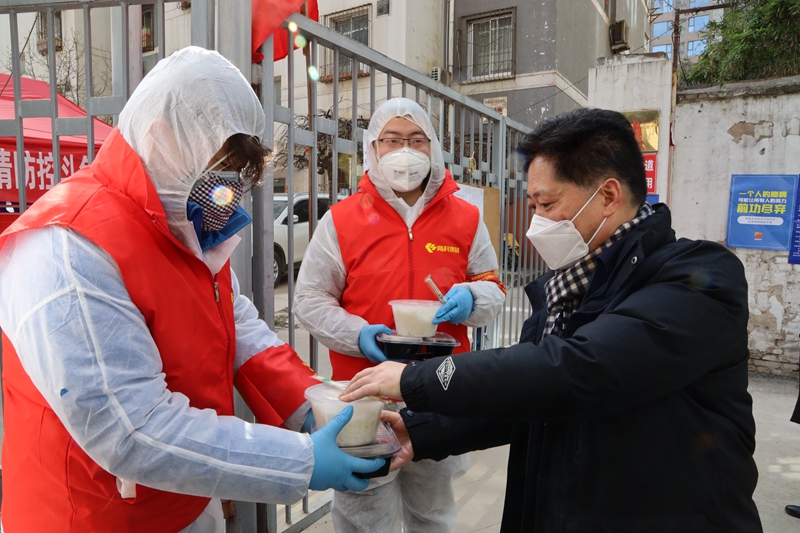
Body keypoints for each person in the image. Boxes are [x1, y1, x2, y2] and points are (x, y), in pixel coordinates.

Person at [0, 47, 383, 533]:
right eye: (219, 171)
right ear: (160, 137)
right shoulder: (67, 248)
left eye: (239, 177)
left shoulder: (183, 225)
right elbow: (131, 429)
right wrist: (300, 460)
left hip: (182, 498)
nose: (228, 192)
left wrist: (314, 403)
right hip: (93, 516)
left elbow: (237, 325)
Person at [341, 107, 764, 533]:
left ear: (608, 196)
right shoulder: (563, 289)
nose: (536, 223)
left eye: (547, 203)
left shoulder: (697, 278)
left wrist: (419, 379)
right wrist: (424, 432)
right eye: (532, 205)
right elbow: (530, 396)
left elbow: (582, 369)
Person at [293, 97, 506, 533]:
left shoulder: (466, 217)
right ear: (373, 147)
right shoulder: (342, 220)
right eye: (392, 139)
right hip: (364, 395)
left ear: (433, 149)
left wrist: (472, 296)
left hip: (441, 391)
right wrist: (358, 334)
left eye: (416, 140)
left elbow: (494, 287)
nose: (404, 151)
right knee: (362, 514)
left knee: (433, 514)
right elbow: (310, 300)